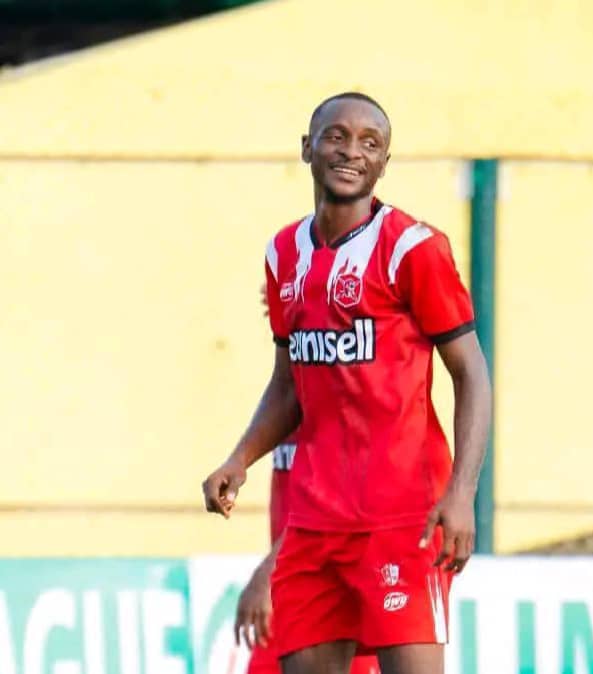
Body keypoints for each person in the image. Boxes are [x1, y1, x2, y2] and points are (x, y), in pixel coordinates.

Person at [203, 92, 492, 674]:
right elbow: (288, 384)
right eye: (336, 136)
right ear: (307, 148)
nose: (351, 151)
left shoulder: (413, 248)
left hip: (403, 518)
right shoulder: (283, 253)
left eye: (369, 142)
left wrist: (462, 492)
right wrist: (240, 458)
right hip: (312, 525)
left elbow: (471, 374)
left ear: (384, 162)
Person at [236, 433, 380, 674]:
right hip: (292, 590)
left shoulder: (342, 414)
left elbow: (338, 494)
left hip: (337, 592)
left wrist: (267, 573)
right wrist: (237, 460)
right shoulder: (288, 413)